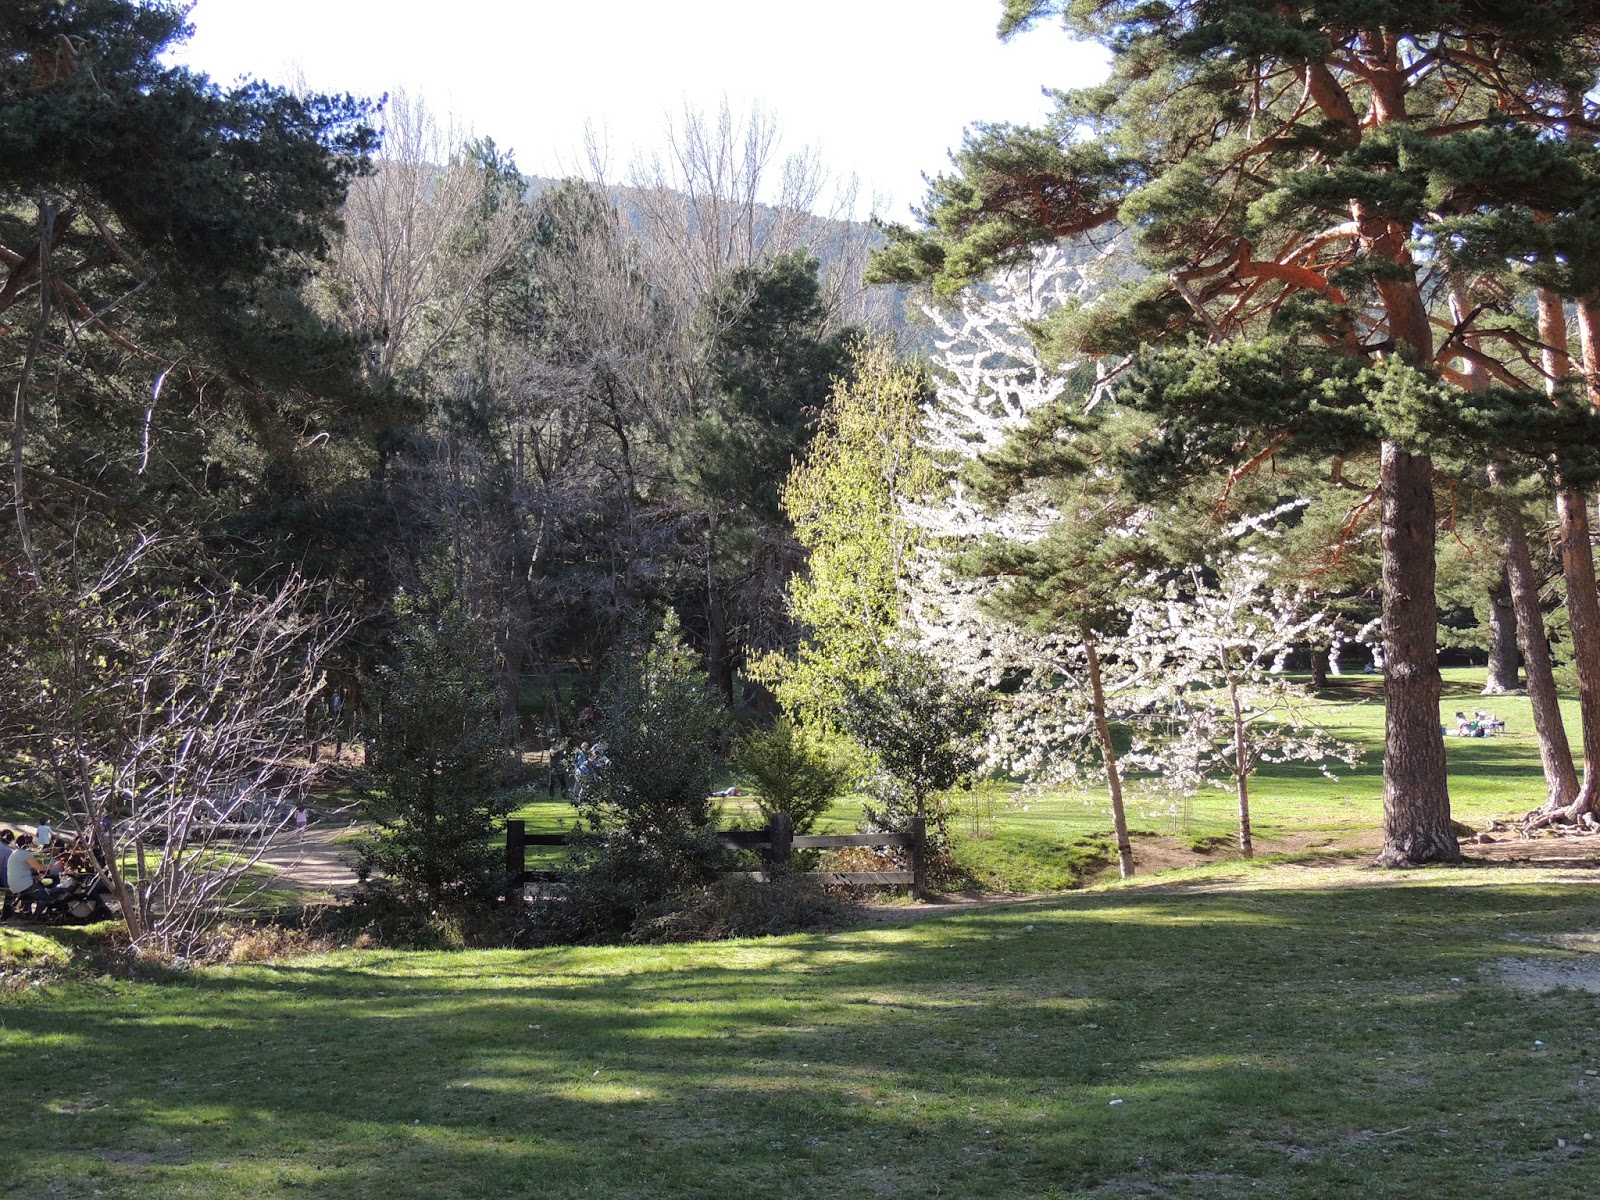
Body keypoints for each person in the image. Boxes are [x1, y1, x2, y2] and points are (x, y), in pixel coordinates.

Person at [6, 833, 65, 917]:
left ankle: (27, 913)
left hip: (14, 884)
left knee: (34, 891)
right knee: (47, 898)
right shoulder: (25, 854)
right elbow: (40, 868)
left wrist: (34, 877)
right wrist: (56, 866)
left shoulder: (15, 853)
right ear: (28, 843)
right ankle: (36, 917)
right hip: (24, 884)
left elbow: (22, 869)